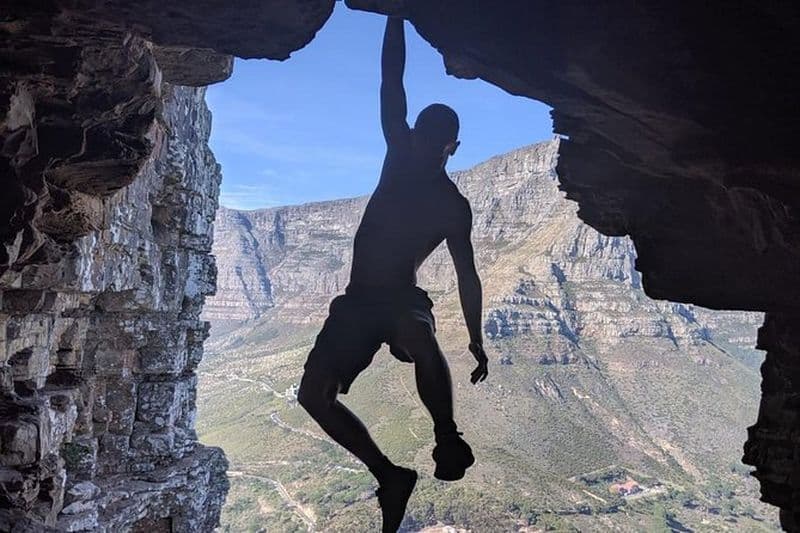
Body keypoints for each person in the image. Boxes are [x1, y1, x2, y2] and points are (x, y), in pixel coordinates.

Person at [297, 16, 488, 533]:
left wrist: (476, 338)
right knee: (313, 396)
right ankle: (390, 476)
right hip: (359, 301)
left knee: (419, 337)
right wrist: (395, 14)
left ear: (451, 147)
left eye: (436, 140)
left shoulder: (451, 203)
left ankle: (446, 435)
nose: (427, 144)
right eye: (424, 135)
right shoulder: (401, 156)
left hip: (400, 297)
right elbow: (392, 79)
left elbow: (468, 277)